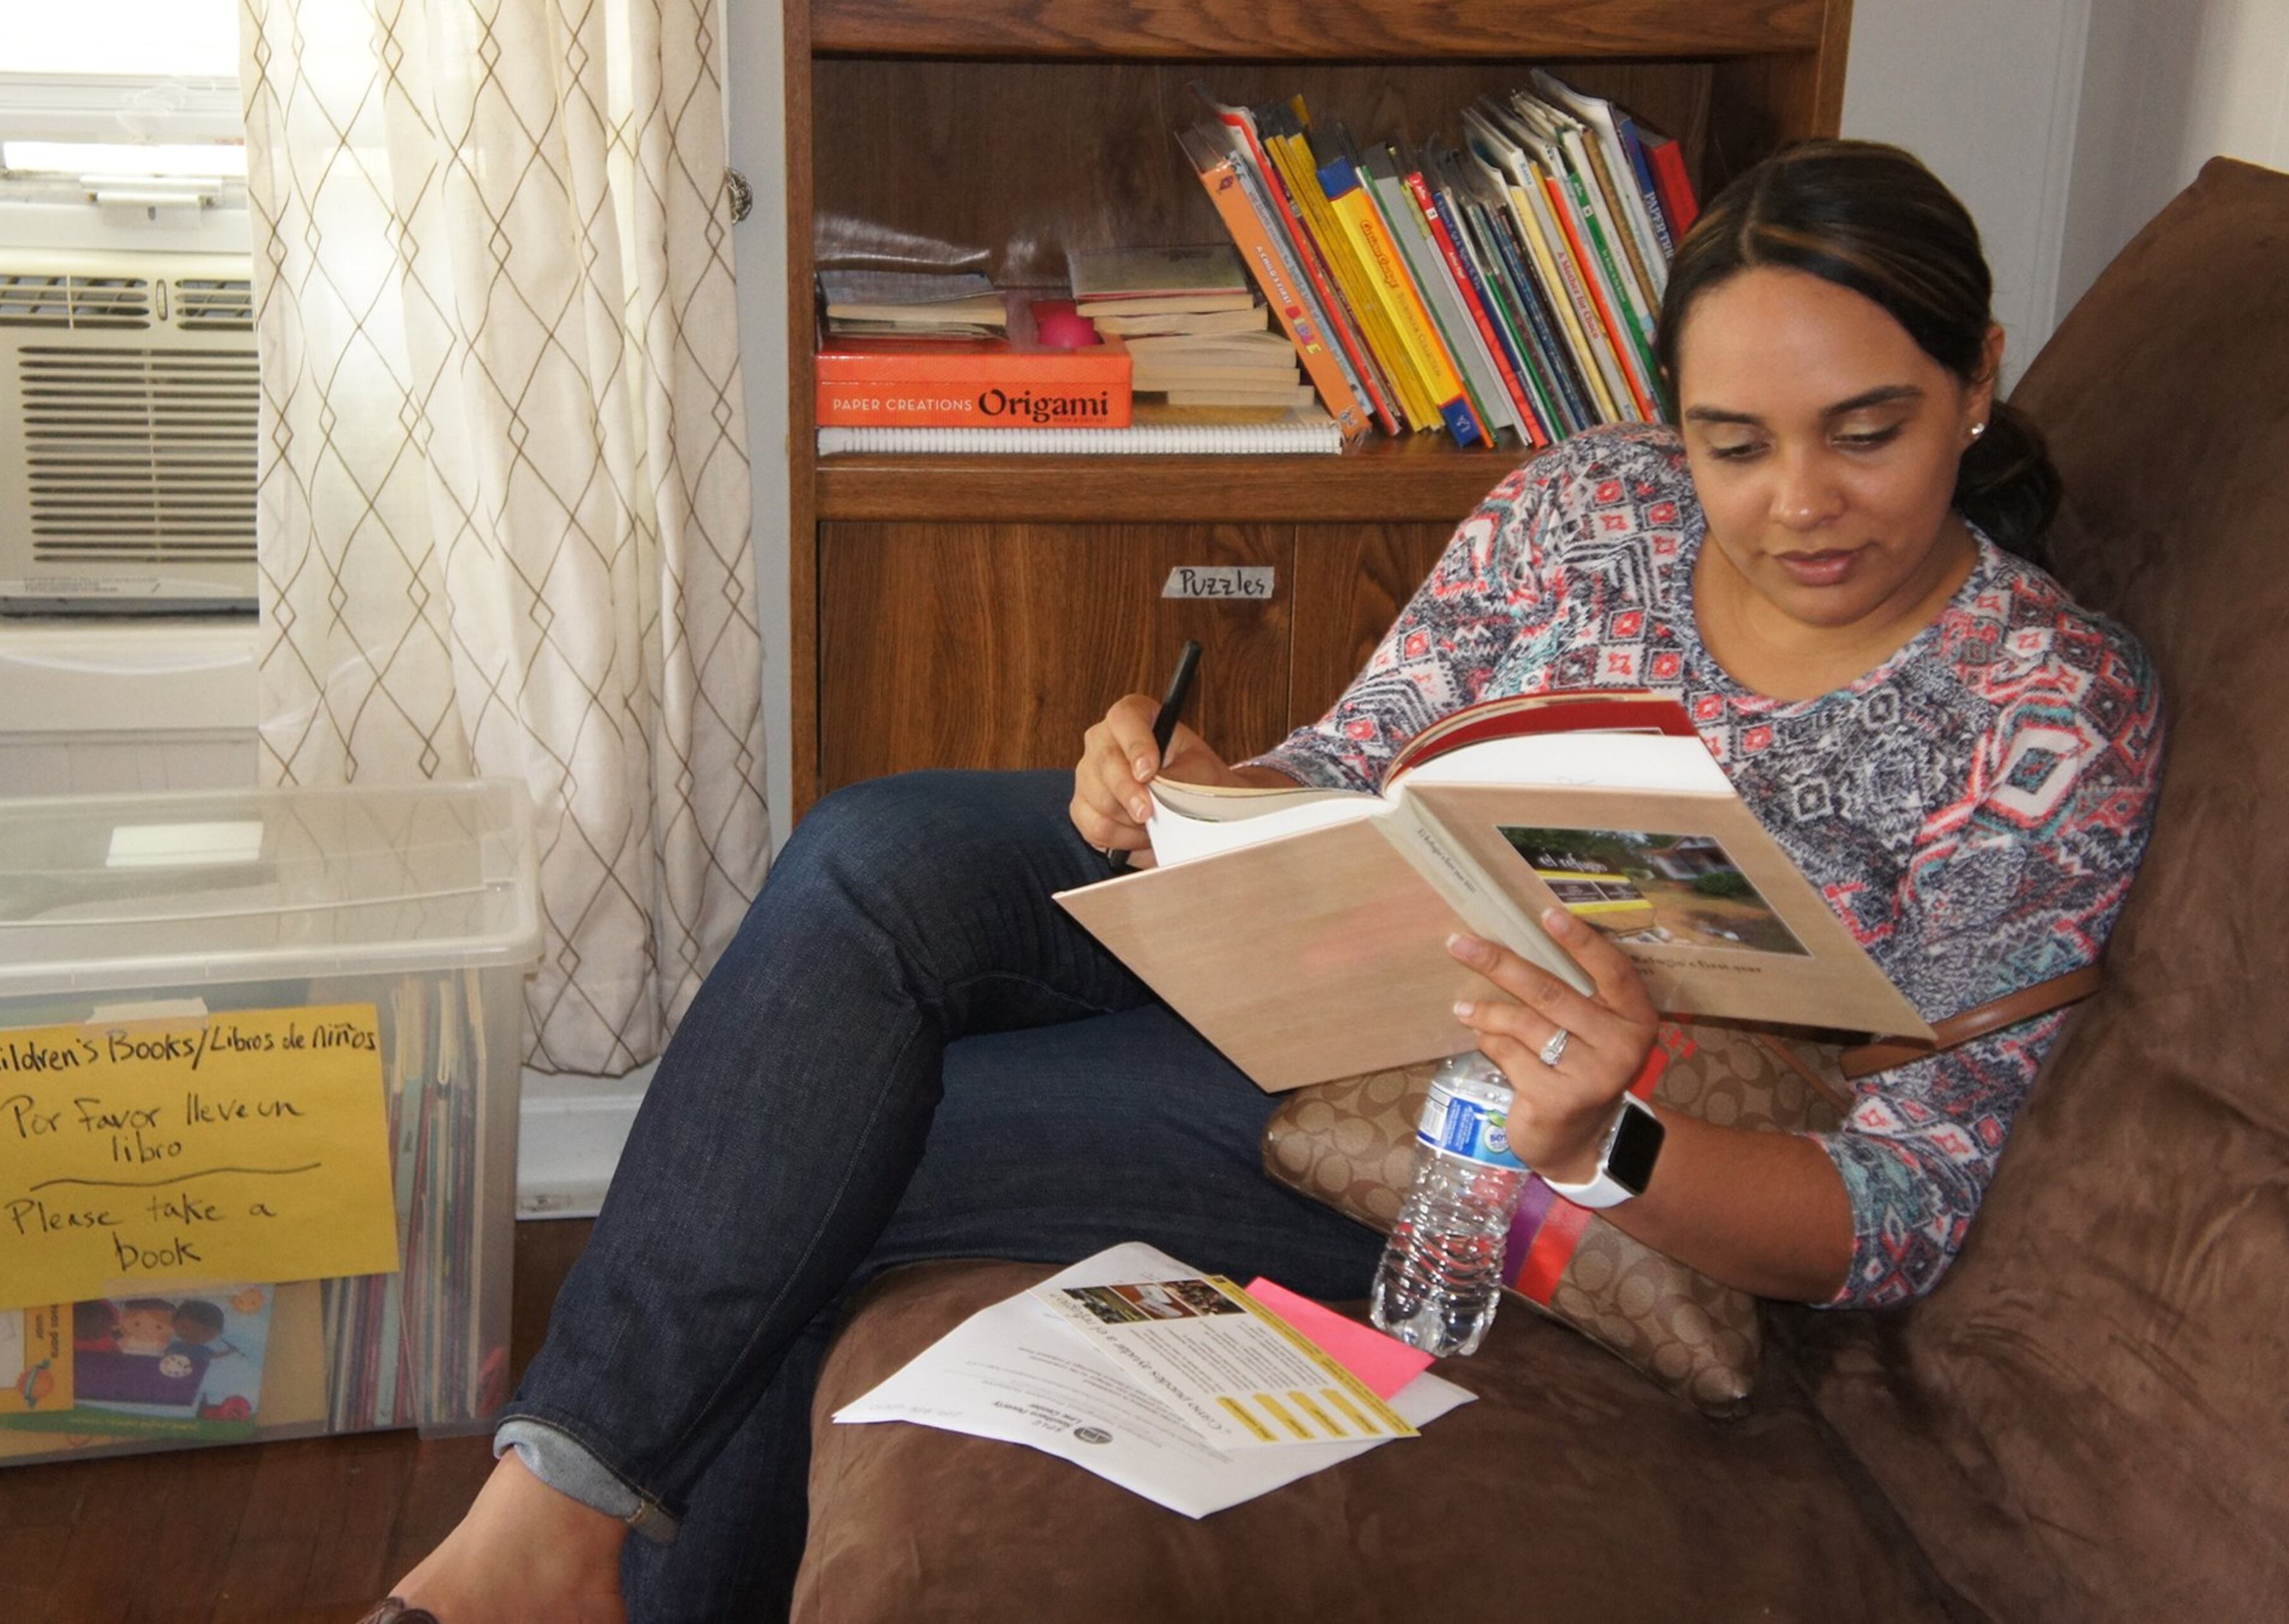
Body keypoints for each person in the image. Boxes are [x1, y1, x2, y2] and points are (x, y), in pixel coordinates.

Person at [365, 140, 2166, 1624]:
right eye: (1734, 444)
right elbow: (1356, 757)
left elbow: (1903, 1202)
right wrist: (1205, 793)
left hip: (1511, 1143)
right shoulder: (1588, 510)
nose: (1797, 504)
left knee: (836, 1141)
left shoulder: (2045, 713)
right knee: (870, 858)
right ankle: (554, 1523)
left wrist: (1604, 1136)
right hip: (1321, 960)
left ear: (1979, 379)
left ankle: (557, 1542)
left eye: (1868, 429)